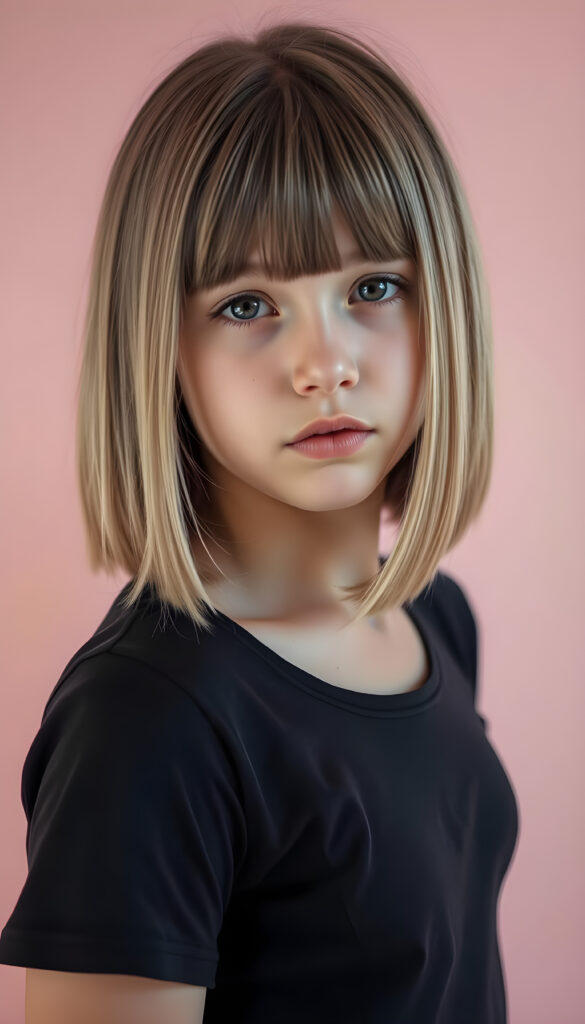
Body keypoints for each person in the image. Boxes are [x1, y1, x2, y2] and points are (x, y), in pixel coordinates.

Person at [0, 20, 519, 1024]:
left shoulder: (436, 619)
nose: (323, 363)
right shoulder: (150, 724)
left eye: (374, 287)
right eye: (247, 304)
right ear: (161, 345)